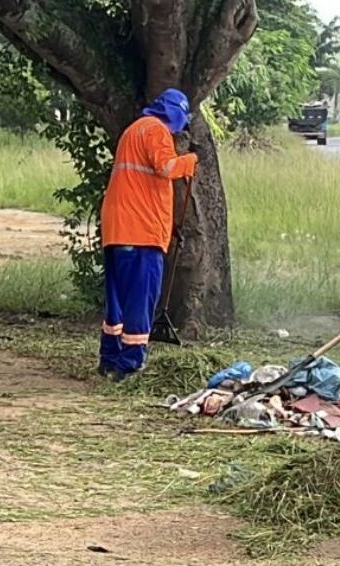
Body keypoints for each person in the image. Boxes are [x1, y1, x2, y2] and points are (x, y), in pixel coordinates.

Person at [98, 88, 199, 381]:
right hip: (141, 231)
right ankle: (129, 363)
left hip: (117, 229)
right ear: (176, 114)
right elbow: (166, 167)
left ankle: (109, 357)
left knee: (117, 298)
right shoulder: (155, 131)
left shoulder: (132, 130)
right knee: (141, 298)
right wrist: (189, 161)